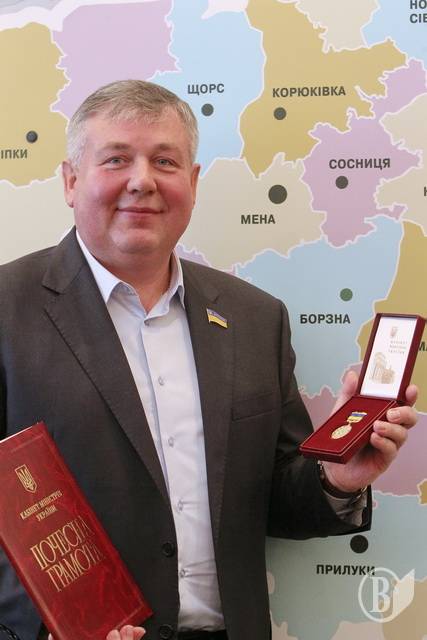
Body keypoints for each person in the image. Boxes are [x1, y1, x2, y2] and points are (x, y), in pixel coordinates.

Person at [0, 80, 417, 640]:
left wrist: (338, 478)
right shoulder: (7, 309)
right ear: (71, 181)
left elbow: (270, 499)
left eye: (165, 161)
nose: (142, 180)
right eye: (116, 159)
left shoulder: (255, 318)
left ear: (192, 183)